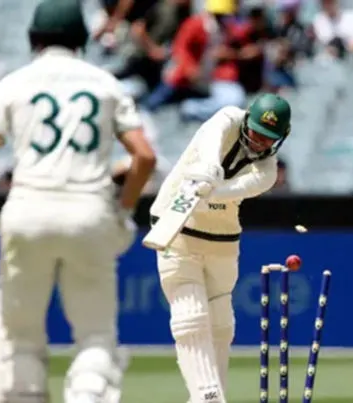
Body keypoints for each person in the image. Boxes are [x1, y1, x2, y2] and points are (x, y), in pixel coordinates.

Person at [0, 1, 156, 403]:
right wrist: (124, 210)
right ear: (82, 39)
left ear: (33, 38)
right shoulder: (105, 83)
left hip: (27, 213)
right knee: (95, 336)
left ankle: (23, 392)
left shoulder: (15, 83)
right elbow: (144, 156)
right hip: (90, 215)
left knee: (17, 335)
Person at [149, 93, 288, 402]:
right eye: (256, 132)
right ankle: (209, 397)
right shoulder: (227, 118)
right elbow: (210, 139)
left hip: (223, 241)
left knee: (221, 323)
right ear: (247, 119)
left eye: (269, 138)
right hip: (178, 231)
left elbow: (230, 192)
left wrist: (213, 188)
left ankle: (210, 396)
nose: (260, 142)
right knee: (190, 317)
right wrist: (210, 167)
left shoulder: (266, 172)